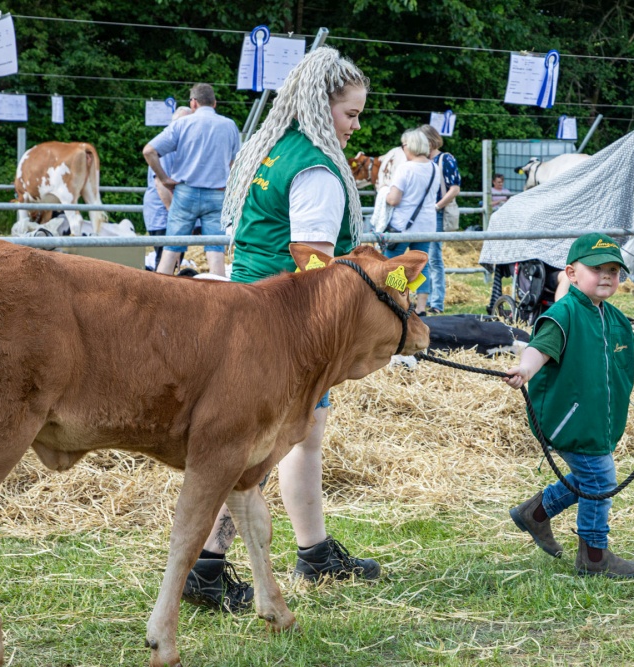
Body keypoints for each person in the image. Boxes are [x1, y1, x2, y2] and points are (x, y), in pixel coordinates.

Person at [180, 47, 378, 614]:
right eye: (350, 115)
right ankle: (207, 566)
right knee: (259, 449)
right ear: (322, 107)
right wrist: (357, 295)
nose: (356, 127)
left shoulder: (273, 149)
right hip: (284, 324)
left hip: (252, 308)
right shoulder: (316, 167)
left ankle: (313, 552)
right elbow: (313, 261)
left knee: (301, 434)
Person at [503, 233, 634, 577]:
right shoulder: (564, 314)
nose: (608, 275)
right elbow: (540, 348)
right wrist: (525, 368)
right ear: (571, 273)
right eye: (598, 269)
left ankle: (536, 513)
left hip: (595, 421)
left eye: (614, 269)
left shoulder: (611, 316)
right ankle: (594, 555)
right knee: (599, 479)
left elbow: (633, 344)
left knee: (589, 477)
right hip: (569, 420)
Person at [143, 83, 240, 277]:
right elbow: (235, 163)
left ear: (193, 103)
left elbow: (149, 151)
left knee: (170, 251)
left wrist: (165, 179)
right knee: (216, 253)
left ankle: (159, 299)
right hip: (217, 194)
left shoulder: (181, 124)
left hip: (185, 193)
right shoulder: (229, 125)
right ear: (214, 103)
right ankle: (220, 302)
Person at [384, 127, 442, 315]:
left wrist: (384, 195)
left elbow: (394, 199)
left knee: (394, 264)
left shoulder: (406, 168)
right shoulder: (434, 167)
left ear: (411, 146)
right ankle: (421, 307)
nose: (403, 149)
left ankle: (396, 300)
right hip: (427, 225)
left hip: (402, 226)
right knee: (421, 265)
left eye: (404, 145)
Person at [143, 106, 192, 270]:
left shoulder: (179, 145)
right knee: (166, 260)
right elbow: (160, 184)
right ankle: (159, 295)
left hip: (171, 213)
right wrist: (176, 217)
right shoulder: (167, 145)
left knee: (174, 260)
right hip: (164, 214)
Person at [419, 125, 461, 314]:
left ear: (430, 141)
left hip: (436, 211)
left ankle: (437, 302)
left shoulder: (445, 159)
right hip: (425, 213)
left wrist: (437, 206)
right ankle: (425, 299)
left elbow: (455, 188)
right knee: (424, 257)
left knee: (434, 257)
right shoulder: (422, 161)